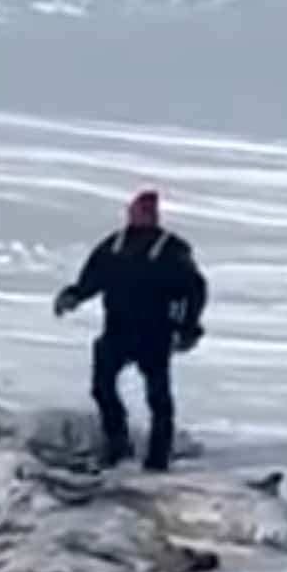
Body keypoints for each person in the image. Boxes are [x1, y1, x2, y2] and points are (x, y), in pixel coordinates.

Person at [52, 189, 207, 471]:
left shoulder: (171, 249)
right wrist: (74, 295)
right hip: (117, 330)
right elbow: (92, 278)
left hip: (155, 333)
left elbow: (194, 290)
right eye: (139, 210)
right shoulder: (115, 245)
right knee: (102, 387)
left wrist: (188, 328)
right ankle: (117, 442)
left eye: (149, 211)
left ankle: (158, 457)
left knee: (158, 398)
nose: (143, 215)